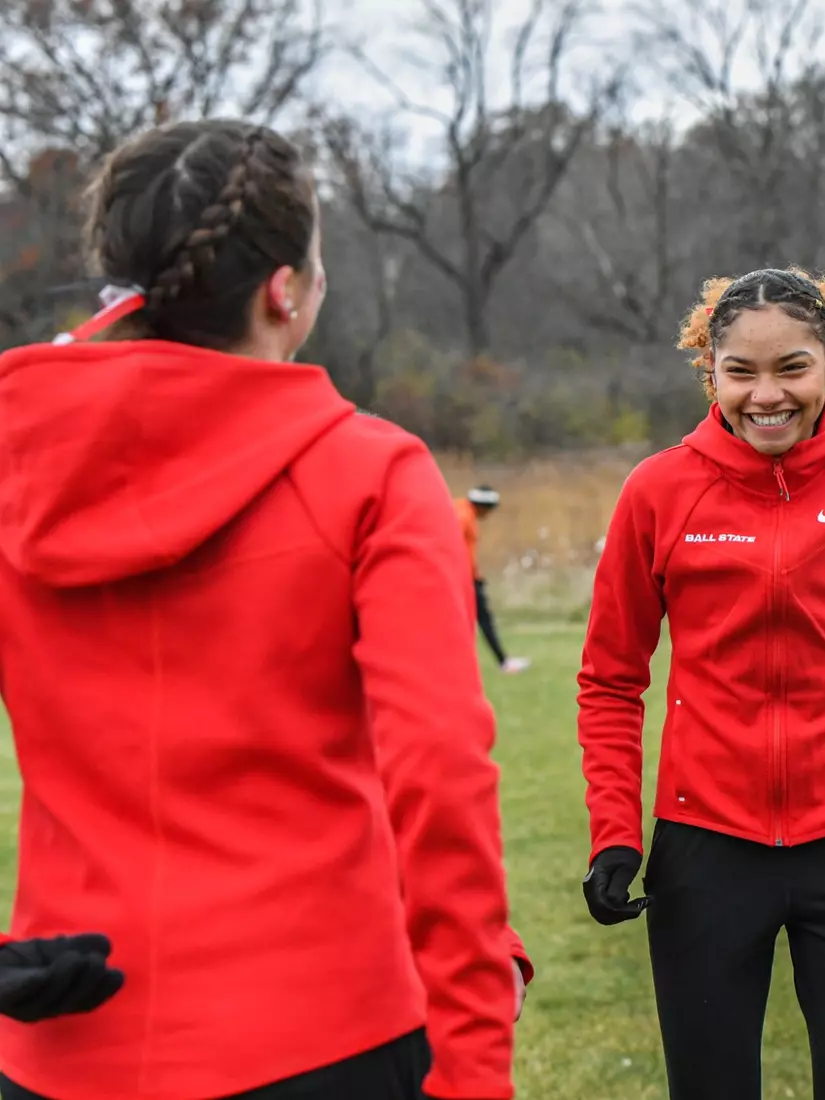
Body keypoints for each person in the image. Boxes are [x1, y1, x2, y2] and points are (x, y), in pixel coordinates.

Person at [0, 119, 531, 1100]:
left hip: (64, 1049)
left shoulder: (13, 466)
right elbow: (443, 774)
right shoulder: (374, 470)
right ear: (285, 288)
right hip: (325, 1038)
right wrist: (474, 1067)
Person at [576, 267, 825, 1100]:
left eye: (791, 367)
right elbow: (612, 679)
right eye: (741, 372)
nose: (767, 395)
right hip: (707, 847)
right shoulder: (659, 490)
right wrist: (615, 830)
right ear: (708, 370)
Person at [454, 485, 531, 674]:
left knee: (472, 621)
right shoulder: (463, 517)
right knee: (481, 620)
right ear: (483, 506)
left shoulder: (460, 510)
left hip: (464, 577)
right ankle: (502, 662)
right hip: (463, 579)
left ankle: (491, 661)